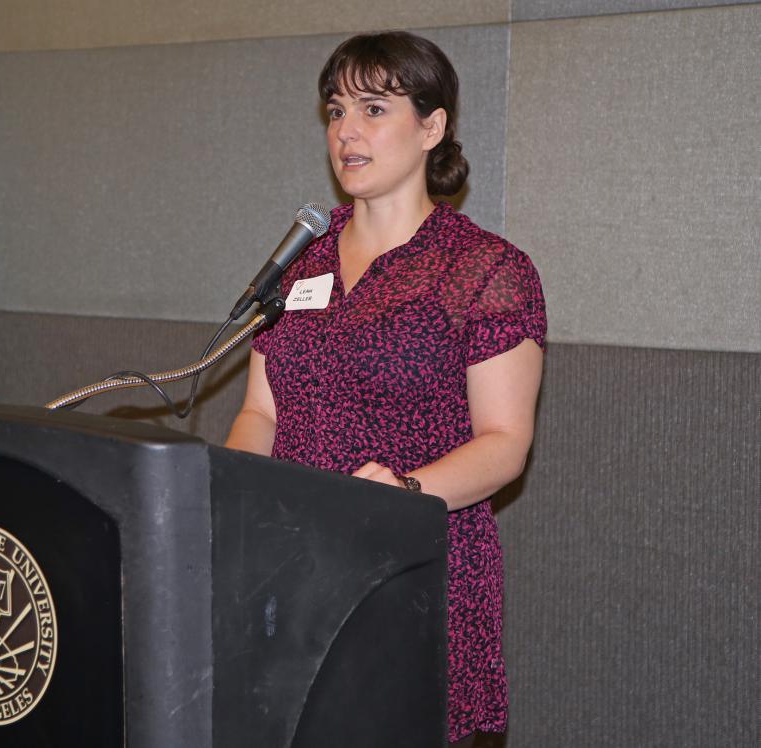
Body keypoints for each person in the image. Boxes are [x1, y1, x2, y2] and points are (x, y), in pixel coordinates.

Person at [225, 31, 546, 748]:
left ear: (432, 127)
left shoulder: (484, 270)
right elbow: (258, 410)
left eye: (374, 109)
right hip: (294, 564)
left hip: (413, 570)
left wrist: (400, 495)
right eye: (336, 110)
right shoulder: (300, 261)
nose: (347, 130)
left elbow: (505, 444)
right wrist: (235, 501)